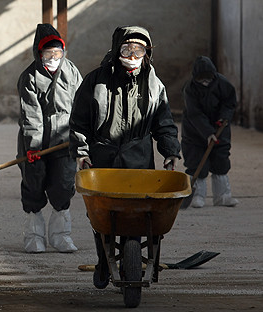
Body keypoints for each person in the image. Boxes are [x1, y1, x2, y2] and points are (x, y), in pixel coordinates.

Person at [69, 26, 181, 288]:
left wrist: (170, 152)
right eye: (127, 49)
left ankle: (134, 258)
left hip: (138, 158)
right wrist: (82, 152)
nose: (132, 55)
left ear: (147, 53)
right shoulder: (95, 80)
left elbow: (163, 124)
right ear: (116, 49)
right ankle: (103, 260)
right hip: (103, 156)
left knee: (140, 213)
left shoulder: (155, 86)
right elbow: (79, 121)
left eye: (139, 50)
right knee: (101, 216)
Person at [17, 23, 83, 253]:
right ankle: (33, 236)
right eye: (48, 54)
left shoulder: (72, 72)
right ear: (39, 53)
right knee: (34, 185)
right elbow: (31, 116)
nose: (54, 58)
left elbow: (81, 105)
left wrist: (82, 136)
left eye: (58, 53)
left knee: (64, 185)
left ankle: (60, 235)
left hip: (65, 142)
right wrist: (32, 146)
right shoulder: (30, 78)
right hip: (35, 146)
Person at [181, 56, 239, 208]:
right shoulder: (190, 89)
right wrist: (207, 132)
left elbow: (229, 103)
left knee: (221, 160)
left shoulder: (223, 84)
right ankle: (196, 196)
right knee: (197, 161)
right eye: (201, 79)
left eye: (208, 78)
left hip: (220, 128)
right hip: (194, 131)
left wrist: (223, 119)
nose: (205, 82)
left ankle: (223, 196)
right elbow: (194, 113)